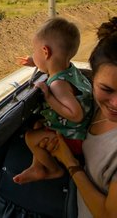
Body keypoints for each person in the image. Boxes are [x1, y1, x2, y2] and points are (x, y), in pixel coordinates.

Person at [40, 17, 117, 217]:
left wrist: (69, 161)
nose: (116, 104)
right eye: (106, 89)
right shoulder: (96, 107)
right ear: (92, 78)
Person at [13, 17, 93, 184]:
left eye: (35, 52)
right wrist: (34, 61)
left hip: (74, 138)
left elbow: (76, 114)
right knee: (38, 125)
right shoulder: (69, 69)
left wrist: (49, 97)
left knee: (30, 137)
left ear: (45, 52)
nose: (33, 56)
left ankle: (53, 170)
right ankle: (38, 167)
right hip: (77, 129)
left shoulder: (58, 84)